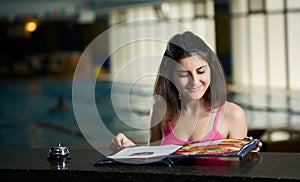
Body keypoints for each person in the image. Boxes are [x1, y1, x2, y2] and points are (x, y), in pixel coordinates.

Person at [110, 31, 262, 151]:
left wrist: (247, 155)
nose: (195, 82)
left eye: (201, 71)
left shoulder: (232, 115)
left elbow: (236, 172)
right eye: (184, 74)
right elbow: (153, 163)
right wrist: (129, 149)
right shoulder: (160, 110)